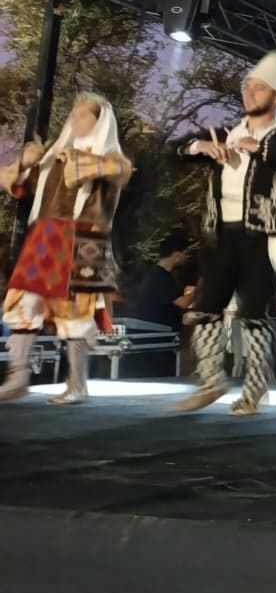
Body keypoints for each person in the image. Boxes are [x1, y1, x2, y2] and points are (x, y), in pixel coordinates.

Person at [172, 52, 276, 416]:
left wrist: (262, 148)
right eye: (247, 86)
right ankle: (211, 381)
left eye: (259, 87)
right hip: (220, 233)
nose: (250, 92)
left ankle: (255, 389)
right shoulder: (226, 133)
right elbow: (177, 149)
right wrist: (201, 146)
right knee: (206, 308)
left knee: (254, 313)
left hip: (263, 236)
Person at [0, 94, 131, 404]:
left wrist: (74, 158)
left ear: (100, 122)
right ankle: (18, 378)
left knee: (75, 312)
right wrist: (25, 162)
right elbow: (16, 185)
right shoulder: (53, 156)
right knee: (24, 304)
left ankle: (77, 383)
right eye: (75, 114)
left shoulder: (110, 157)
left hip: (82, 241)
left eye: (84, 115)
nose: (76, 120)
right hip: (44, 239)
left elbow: (115, 170)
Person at [130, 232, 195, 330]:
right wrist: (201, 287)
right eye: (185, 253)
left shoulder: (158, 274)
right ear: (176, 255)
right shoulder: (160, 277)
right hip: (158, 333)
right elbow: (183, 303)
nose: (186, 257)